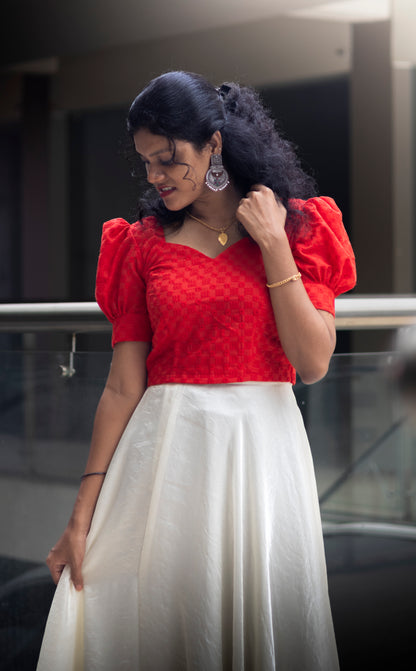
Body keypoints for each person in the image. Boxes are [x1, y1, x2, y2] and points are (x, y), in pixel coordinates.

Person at [37, 71, 356, 671]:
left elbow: (312, 362)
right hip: (165, 461)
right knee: (157, 622)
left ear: (213, 143)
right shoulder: (141, 244)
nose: (155, 177)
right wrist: (80, 517)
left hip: (261, 456)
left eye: (168, 159)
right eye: (146, 163)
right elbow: (124, 384)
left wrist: (274, 246)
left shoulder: (298, 229)